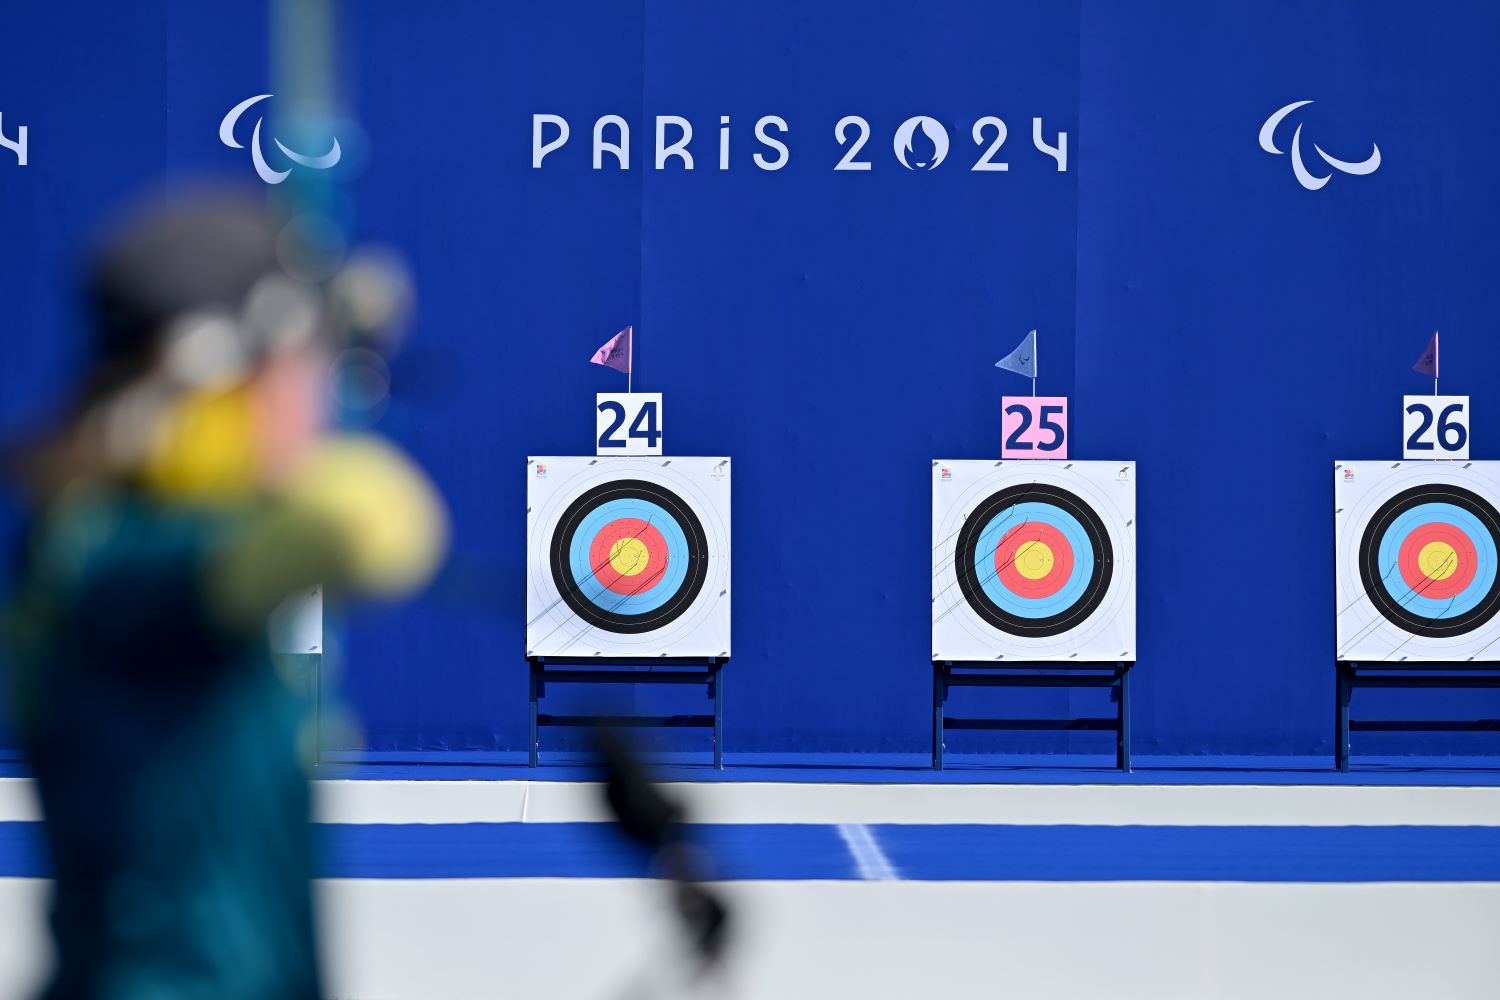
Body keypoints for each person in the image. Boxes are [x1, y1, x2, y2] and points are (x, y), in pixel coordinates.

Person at [3, 188, 446, 998]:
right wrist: (227, 453)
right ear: (216, 376)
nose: (317, 396)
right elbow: (376, 526)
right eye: (302, 365)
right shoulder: (111, 553)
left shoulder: (125, 535)